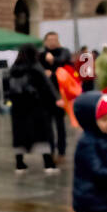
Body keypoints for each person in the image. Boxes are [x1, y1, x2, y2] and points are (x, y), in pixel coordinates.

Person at [6, 45, 61, 173]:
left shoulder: (14, 69)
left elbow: (8, 88)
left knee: (19, 135)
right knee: (42, 134)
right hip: (36, 107)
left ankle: (19, 164)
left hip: (18, 108)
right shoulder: (35, 67)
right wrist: (57, 99)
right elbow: (47, 85)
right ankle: (48, 164)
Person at [39, 31, 72, 161]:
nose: (52, 42)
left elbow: (65, 62)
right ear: (45, 41)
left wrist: (52, 71)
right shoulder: (41, 54)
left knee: (60, 124)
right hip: (46, 95)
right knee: (47, 125)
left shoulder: (63, 52)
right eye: (50, 39)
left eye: (55, 39)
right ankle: (50, 150)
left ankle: (61, 151)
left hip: (60, 95)